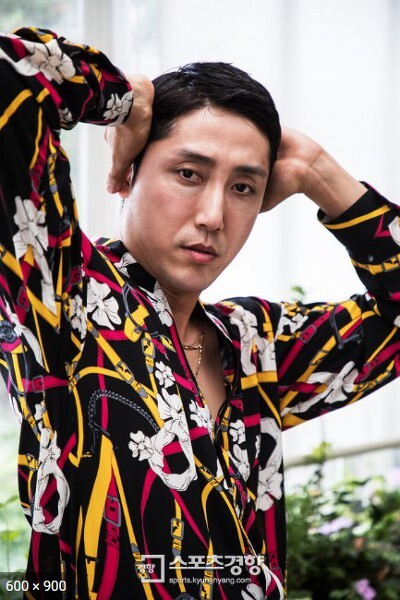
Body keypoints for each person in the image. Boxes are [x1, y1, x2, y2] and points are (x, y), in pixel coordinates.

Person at [0, 26, 399, 600]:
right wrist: (125, 100)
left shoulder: (255, 344)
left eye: (243, 188)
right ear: (129, 171)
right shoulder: (66, 297)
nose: (214, 215)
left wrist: (320, 173)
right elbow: (11, 75)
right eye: (189, 174)